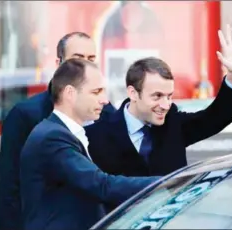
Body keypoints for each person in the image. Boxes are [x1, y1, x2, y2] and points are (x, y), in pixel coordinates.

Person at [85, 25, 232, 183]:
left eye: (169, 96)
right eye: (157, 96)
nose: (165, 105)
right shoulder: (97, 134)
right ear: (133, 93)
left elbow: (216, 117)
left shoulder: (173, 123)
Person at [19, 59, 159, 230]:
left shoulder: (63, 132)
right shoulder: (52, 137)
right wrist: (165, 183)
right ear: (70, 93)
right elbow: (101, 185)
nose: (105, 100)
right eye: (96, 92)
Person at [0, 31, 116, 230]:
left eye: (91, 60)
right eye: (77, 59)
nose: (85, 66)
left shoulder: (107, 112)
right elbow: (11, 188)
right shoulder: (25, 115)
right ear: (59, 63)